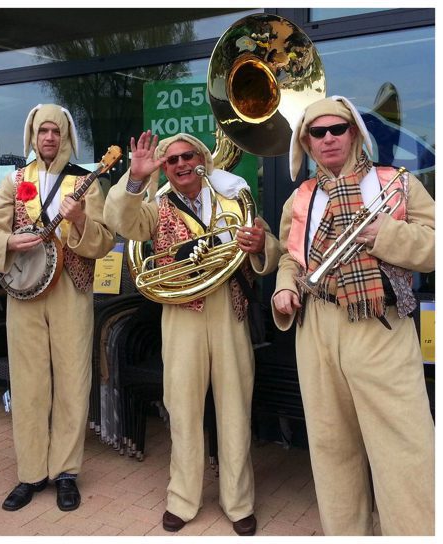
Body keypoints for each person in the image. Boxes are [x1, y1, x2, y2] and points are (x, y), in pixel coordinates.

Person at [271, 96, 434, 536]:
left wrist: (390, 234)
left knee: (405, 446)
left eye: (336, 129)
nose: (327, 139)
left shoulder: (395, 183)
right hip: (318, 328)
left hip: (379, 326)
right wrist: (285, 286)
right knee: (330, 447)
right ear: (305, 143)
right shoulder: (300, 197)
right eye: (316, 133)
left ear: (355, 133)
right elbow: (291, 257)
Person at [104, 131, 279, 536]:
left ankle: (239, 502)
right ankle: (183, 498)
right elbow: (122, 221)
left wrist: (259, 246)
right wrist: (135, 179)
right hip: (181, 314)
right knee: (182, 409)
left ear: (203, 159)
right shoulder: (154, 207)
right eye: (172, 160)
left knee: (235, 407)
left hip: (229, 310)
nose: (181, 165)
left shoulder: (234, 199)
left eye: (188, 156)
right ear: (164, 168)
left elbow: (270, 248)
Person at [0, 104, 115, 512]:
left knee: (72, 379)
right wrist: (9, 243)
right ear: (32, 136)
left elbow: (104, 241)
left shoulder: (87, 181)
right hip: (26, 295)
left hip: (72, 287)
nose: (49, 137)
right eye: (42, 131)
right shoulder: (14, 182)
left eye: (56, 130)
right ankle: (31, 473)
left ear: (66, 135)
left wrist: (83, 220)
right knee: (29, 382)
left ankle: (66, 472)